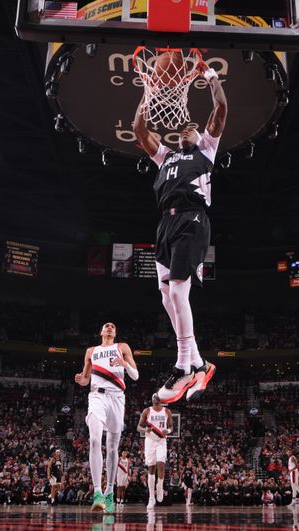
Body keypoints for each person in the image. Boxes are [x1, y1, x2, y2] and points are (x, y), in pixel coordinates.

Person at [133, 59, 228, 404]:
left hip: (192, 219)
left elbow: (221, 108)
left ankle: (184, 367)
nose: (187, 128)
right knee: (165, 296)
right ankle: (201, 364)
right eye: (184, 127)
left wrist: (210, 76)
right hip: (165, 225)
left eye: (193, 127)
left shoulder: (206, 150)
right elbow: (139, 130)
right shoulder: (166, 157)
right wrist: (149, 92)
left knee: (177, 292)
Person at [74, 322, 139, 513]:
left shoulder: (122, 347)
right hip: (96, 396)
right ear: (101, 331)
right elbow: (85, 380)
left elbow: (135, 376)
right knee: (94, 439)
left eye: (112, 326)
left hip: (117, 397)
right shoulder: (91, 351)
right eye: (106, 326)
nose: (109, 327)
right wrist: (81, 380)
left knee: (112, 448)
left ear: (115, 332)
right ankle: (97, 493)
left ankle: (110, 490)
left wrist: (125, 364)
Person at [138, 393, 173, 509]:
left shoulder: (167, 411)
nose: (156, 401)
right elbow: (138, 427)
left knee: (161, 465)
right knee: (151, 469)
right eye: (155, 399)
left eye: (158, 399)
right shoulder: (147, 411)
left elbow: (171, 427)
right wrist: (145, 429)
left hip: (161, 441)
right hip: (150, 441)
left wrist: (168, 431)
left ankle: (160, 487)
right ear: (152, 401)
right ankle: (151, 497)